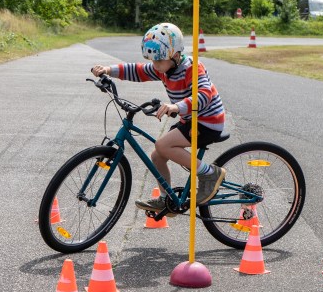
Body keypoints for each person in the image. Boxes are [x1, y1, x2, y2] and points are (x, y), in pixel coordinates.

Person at [91, 22, 227, 211]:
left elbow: (204, 95)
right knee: (157, 155)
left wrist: (176, 106)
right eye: (152, 60)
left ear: (176, 55)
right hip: (190, 121)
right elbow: (137, 70)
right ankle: (165, 199)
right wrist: (108, 70)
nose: (154, 65)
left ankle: (210, 173)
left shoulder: (193, 67)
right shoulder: (162, 69)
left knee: (163, 144)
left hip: (208, 122)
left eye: (158, 60)